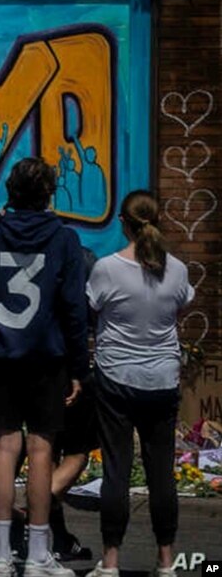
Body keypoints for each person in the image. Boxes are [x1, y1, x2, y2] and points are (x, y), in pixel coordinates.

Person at [0, 157, 88, 577]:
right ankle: (38, 554)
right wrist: (79, 365)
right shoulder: (64, 240)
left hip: (0, 355)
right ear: (49, 195)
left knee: (5, 450)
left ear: (10, 191)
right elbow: (74, 308)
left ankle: (2, 554)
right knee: (42, 451)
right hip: (47, 356)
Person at [85, 191, 194, 577]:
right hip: (162, 379)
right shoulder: (177, 270)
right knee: (161, 472)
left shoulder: (105, 269)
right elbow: (181, 305)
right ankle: (167, 561)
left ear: (122, 222)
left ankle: (110, 562)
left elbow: (92, 308)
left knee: (117, 470)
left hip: (116, 377)